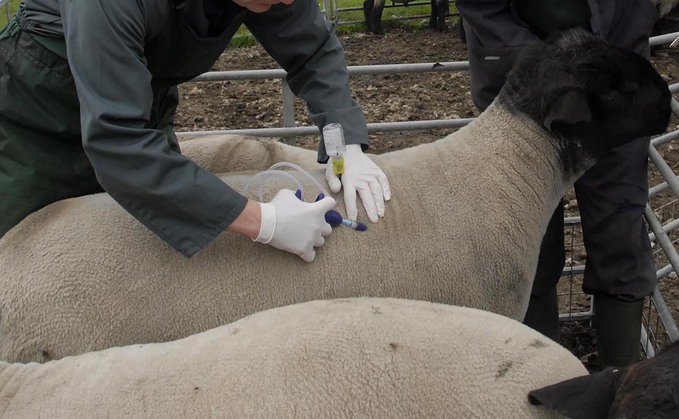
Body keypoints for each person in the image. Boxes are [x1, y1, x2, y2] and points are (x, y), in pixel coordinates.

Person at [0, 0, 391, 262]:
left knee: (135, 248)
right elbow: (119, 141)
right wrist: (262, 221)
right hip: (34, 113)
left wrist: (345, 146)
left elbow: (312, 50)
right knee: (22, 256)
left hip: (138, 99)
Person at [456, 0, 661, 369]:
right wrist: (546, 66)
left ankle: (619, 380)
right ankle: (541, 371)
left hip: (617, 75)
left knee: (620, 224)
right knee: (527, 230)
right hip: (520, 78)